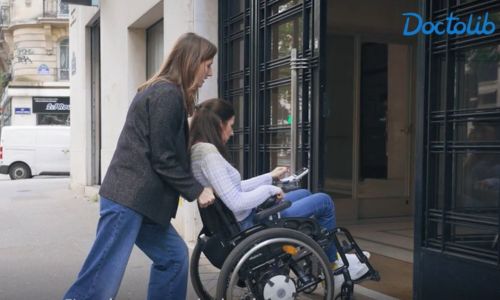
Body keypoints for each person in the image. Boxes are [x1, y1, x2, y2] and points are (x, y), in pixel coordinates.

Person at [63, 33, 217, 300]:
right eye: (207, 64)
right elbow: (163, 157)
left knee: (174, 258)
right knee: (98, 282)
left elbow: (165, 152)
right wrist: (196, 190)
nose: (210, 73)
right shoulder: (166, 94)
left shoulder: (167, 93)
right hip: (129, 200)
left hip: (142, 203)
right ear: (192, 62)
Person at [189, 98, 370, 280]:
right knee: (324, 202)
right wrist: (269, 190)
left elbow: (234, 187)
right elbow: (236, 202)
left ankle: (315, 257)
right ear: (220, 124)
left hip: (240, 221)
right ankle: (333, 267)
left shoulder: (198, 151)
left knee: (304, 193)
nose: (232, 132)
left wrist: (270, 176)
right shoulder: (209, 155)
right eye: (231, 125)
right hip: (251, 223)